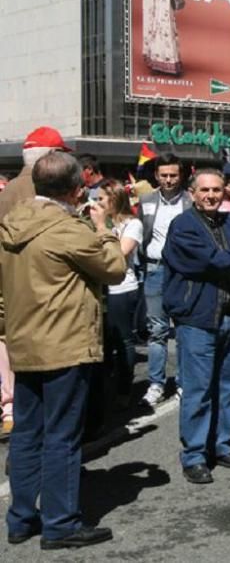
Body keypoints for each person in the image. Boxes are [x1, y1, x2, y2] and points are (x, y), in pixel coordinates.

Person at [0, 151, 125, 549]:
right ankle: (60, 522)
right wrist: (103, 227)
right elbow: (114, 267)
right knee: (62, 437)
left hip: (25, 339)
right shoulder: (67, 228)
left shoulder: (10, 224)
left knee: (27, 432)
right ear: (75, 189)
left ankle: (20, 518)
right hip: (65, 343)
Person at [162, 169, 230, 484]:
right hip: (197, 320)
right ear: (192, 193)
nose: (211, 195)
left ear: (225, 192)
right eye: (205, 190)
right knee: (198, 390)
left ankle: (220, 445)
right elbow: (214, 261)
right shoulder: (183, 227)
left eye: (217, 190)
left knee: (227, 387)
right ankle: (194, 455)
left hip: (229, 318)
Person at [0, 127, 71, 438]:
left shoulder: (9, 188)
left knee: (6, 341)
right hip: (43, 282)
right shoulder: (45, 189)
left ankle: (10, 409)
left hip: (9, 276)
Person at [137, 153, 191, 406]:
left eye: (173, 175)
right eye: (164, 175)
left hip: (183, 272)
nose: (168, 180)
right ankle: (156, 384)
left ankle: (182, 382)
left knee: (182, 329)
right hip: (155, 270)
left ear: (181, 176)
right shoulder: (146, 200)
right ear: (157, 175)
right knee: (156, 331)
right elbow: (139, 231)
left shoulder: (191, 201)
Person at [97, 180, 144, 409]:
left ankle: (125, 387)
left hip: (122, 288)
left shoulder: (132, 224)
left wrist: (102, 229)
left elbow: (121, 252)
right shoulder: (102, 223)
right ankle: (106, 386)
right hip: (101, 289)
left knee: (122, 338)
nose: (98, 204)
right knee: (104, 340)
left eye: (102, 199)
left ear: (114, 198)